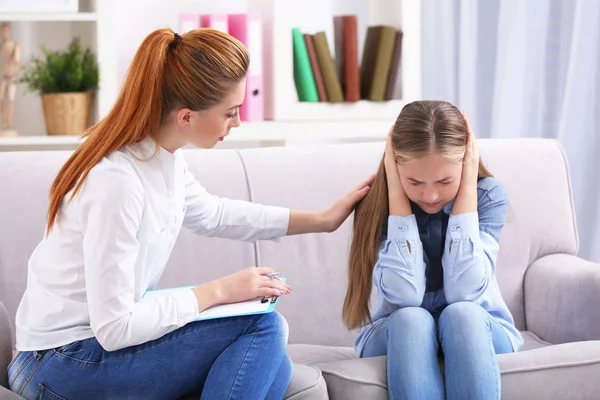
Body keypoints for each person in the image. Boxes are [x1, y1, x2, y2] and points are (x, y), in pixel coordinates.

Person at [7, 28, 373, 400]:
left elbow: (213, 213)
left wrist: (323, 220)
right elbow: (115, 327)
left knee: (274, 360)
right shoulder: (116, 183)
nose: (238, 122)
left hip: (86, 354)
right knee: (264, 329)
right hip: (56, 364)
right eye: (230, 112)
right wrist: (219, 291)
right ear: (186, 117)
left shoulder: (161, 158)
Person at [342, 100, 523, 400]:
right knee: (412, 318)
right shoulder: (378, 203)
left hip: (480, 327)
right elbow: (406, 295)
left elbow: (465, 293)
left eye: (445, 180)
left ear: (465, 164)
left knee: (462, 314)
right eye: (414, 181)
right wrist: (397, 198)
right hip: (396, 330)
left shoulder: (488, 196)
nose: (430, 194)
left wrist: (465, 192)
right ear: (394, 165)